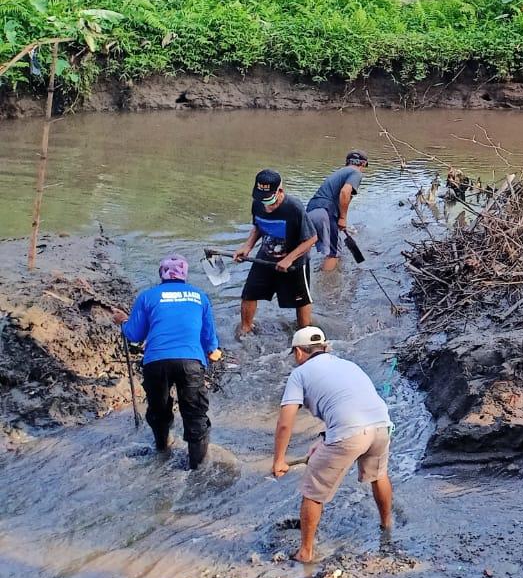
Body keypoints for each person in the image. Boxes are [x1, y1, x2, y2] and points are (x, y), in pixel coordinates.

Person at [270, 326, 393, 563]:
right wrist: (324, 439)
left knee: (312, 492)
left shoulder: (300, 374)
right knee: (379, 475)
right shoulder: (348, 365)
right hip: (381, 425)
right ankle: (387, 525)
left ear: (298, 352)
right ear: (325, 347)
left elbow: (285, 423)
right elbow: (347, 404)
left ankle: (305, 552)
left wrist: (279, 460)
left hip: (350, 433)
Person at [121, 255, 223, 468]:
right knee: (195, 414)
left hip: (156, 362)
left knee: (158, 409)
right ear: (185, 274)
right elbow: (209, 338)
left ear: (161, 273)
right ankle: (197, 468)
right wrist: (212, 351)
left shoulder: (148, 296)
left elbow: (134, 335)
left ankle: (162, 449)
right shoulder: (200, 296)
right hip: (190, 362)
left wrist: (122, 322)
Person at [234, 170, 318, 338]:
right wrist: (247, 246)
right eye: (262, 198)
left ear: (280, 191)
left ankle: (305, 336)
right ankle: (245, 330)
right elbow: (258, 226)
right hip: (265, 255)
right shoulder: (257, 204)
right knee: (249, 294)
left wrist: (289, 259)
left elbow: (312, 239)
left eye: (269, 198)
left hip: (294, 262)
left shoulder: (293, 207)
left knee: (301, 300)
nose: (266, 204)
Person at [306, 151, 368, 273]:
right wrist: (343, 218)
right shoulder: (356, 173)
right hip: (325, 212)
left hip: (311, 210)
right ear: (363, 163)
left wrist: (339, 219)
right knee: (333, 254)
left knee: (311, 246)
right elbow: (345, 193)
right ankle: (328, 288)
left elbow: (339, 198)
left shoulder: (340, 172)